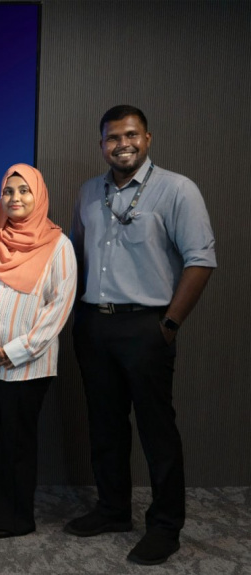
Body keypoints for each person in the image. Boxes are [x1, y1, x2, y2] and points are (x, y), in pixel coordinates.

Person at [65, 105, 216, 565]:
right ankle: (113, 510)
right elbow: (76, 255)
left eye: (131, 135)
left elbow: (201, 260)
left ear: (147, 139)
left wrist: (169, 325)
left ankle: (166, 527)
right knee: (105, 425)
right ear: (102, 145)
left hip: (147, 326)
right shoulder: (89, 191)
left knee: (156, 429)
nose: (122, 144)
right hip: (95, 324)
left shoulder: (177, 189)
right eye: (113, 138)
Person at [0, 164, 76, 539]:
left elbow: (60, 305)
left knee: (17, 440)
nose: (15, 198)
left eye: (24, 191)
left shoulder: (59, 245)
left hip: (28, 365)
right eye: (8, 191)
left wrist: (19, 349)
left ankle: (14, 518)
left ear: (38, 195)